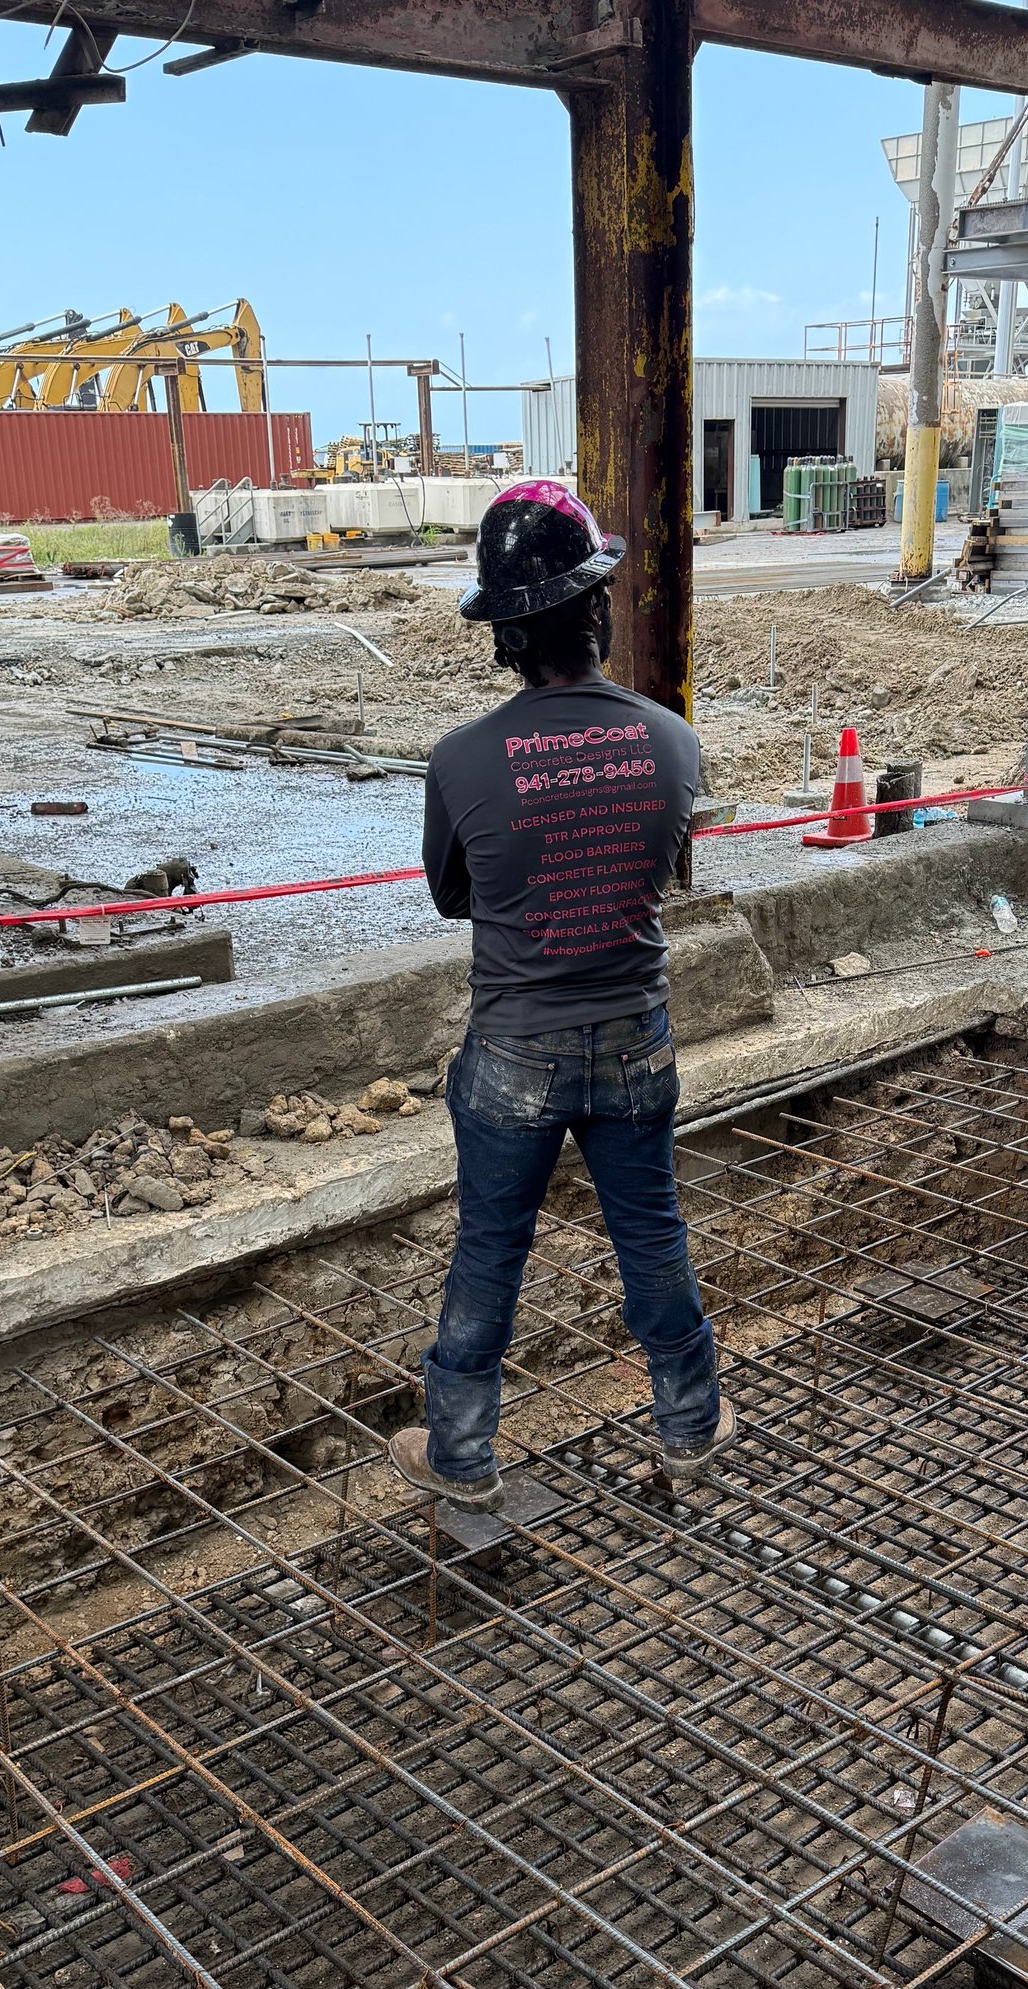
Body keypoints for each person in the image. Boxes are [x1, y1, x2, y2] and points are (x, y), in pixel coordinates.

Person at [388, 480, 733, 1514]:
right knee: (653, 1237)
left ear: (501, 634)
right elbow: (665, 868)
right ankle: (689, 1429)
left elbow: (456, 896)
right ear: (598, 608)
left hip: (515, 1051)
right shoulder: (672, 741)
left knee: (492, 1248)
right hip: (635, 1040)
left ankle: (462, 1456)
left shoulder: (460, 760)